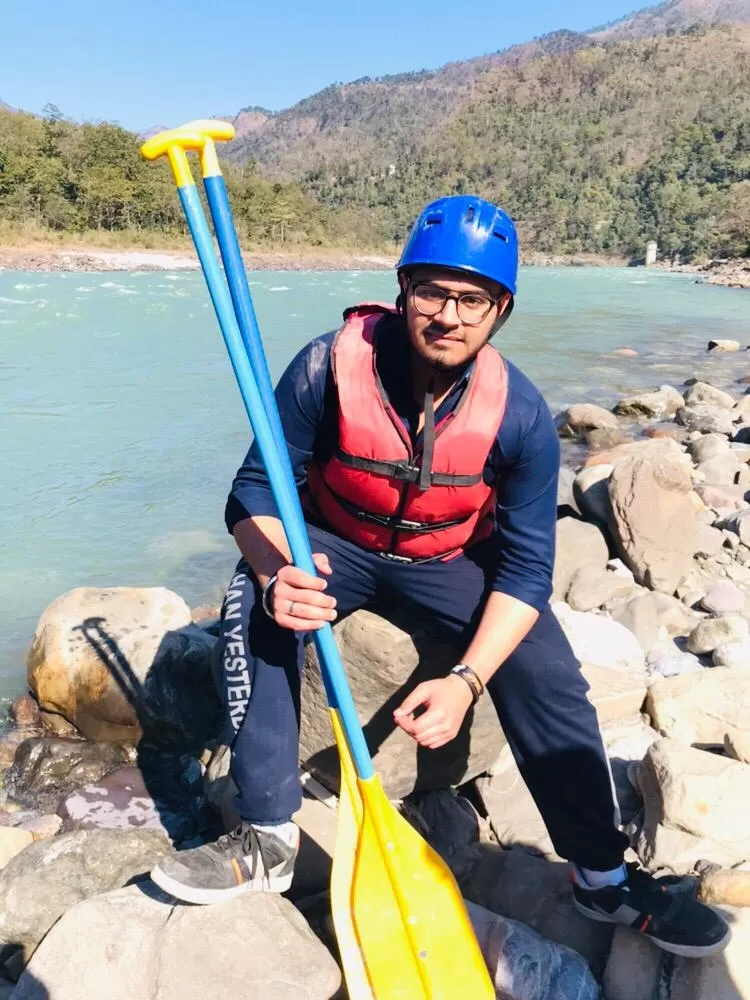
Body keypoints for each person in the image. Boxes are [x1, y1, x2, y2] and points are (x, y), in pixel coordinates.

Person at [151, 195, 729, 958]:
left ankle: (601, 876)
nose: (449, 315)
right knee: (260, 609)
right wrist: (271, 569)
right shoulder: (327, 367)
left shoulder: (518, 415)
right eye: (433, 291)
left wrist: (466, 681)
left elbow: (525, 571)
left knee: (546, 665)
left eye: (473, 299)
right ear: (403, 290)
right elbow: (255, 490)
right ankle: (266, 835)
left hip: (447, 558)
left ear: (500, 311)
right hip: (335, 538)